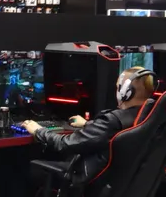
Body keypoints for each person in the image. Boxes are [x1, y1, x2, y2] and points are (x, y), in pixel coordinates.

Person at [22, 67, 155, 188]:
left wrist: (38, 130)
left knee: (26, 166)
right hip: (125, 188)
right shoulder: (151, 116)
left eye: (117, 87)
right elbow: (111, 130)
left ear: (125, 92)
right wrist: (88, 124)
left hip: (91, 186)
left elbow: (65, 144)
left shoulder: (112, 121)